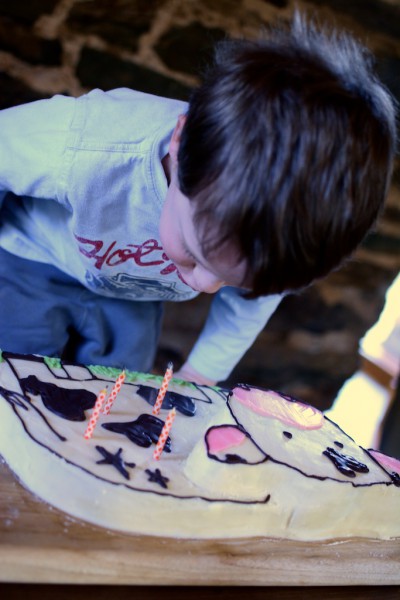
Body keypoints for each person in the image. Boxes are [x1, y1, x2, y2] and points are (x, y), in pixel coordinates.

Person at [0, 13, 396, 386]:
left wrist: (200, 374)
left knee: (114, 399)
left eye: (231, 278)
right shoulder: (87, 145)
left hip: (135, 297)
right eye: (193, 252)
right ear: (180, 142)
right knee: (16, 382)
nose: (206, 287)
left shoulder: (279, 243)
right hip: (31, 262)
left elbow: (250, 304)